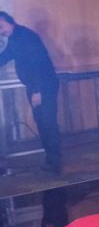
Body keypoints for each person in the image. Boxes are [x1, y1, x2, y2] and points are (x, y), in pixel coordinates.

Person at [0, 11, 62, 174]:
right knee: (42, 122)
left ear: (8, 21)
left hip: (43, 86)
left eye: (0, 26)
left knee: (47, 123)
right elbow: (5, 56)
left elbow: (37, 65)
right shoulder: (15, 37)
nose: (0, 31)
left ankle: (54, 161)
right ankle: (51, 158)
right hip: (37, 86)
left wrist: (37, 91)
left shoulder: (26, 37)